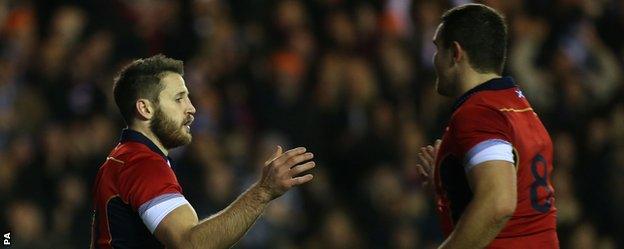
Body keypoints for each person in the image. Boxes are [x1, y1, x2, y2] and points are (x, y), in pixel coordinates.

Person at [90, 55, 316, 249]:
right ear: (145, 108)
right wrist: (264, 192)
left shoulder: (123, 158)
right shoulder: (141, 164)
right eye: (178, 98)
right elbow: (190, 244)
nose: (191, 107)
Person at [415, 4, 558, 248]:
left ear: (456, 53)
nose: (434, 58)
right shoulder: (516, 104)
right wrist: (447, 184)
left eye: (438, 48)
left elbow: (499, 202)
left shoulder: (479, 113)